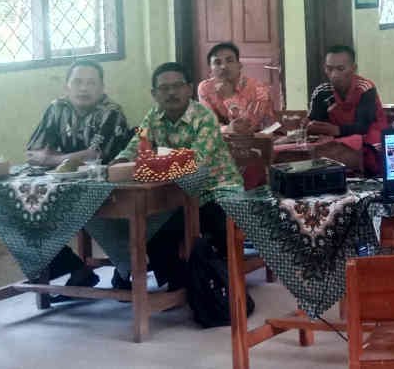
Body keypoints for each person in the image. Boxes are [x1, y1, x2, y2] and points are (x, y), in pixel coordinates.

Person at [112, 62, 242, 289]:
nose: (171, 92)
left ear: (189, 89)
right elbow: (136, 144)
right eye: (164, 88)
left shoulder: (205, 117)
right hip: (174, 193)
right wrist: (121, 162)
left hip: (216, 190)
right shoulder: (152, 115)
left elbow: (196, 160)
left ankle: (212, 279)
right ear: (154, 94)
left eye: (178, 86)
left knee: (197, 223)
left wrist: (153, 160)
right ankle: (178, 281)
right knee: (150, 226)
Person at [26, 60, 133, 290]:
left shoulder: (111, 112)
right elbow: (33, 153)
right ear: (67, 86)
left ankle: (124, 270)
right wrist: (66, 159)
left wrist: (52, 158)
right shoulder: (57, 108)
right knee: (23, 212)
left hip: (109, 191)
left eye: (91, 83)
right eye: (77, 82)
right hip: (63, 189)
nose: (83, 88)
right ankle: (76, 268)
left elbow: (95, 155)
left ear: (102, 88)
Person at [307, 44, 389, 173]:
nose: (334, 75)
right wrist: (311, 127)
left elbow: (363, 126)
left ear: (353, 68)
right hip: (336, 139)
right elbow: (316, 125)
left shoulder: (365, 88)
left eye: (340, 69)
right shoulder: (322, 92)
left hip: (368, 136)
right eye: (329, 69)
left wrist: (335, 130)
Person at [196, 42, 278, 135]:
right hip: (222, 139)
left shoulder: (258, 88)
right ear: (210, 69)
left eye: (229, 61)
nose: (223, 66)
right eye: (217, 63)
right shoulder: (206, 88)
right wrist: (227, 129)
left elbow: (247, 127)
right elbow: (209, 125)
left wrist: (229, 97)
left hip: (259, 138)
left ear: (239, 65)